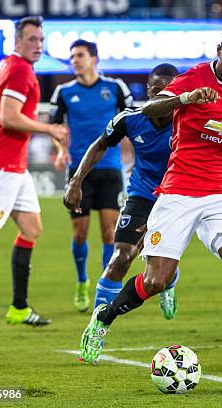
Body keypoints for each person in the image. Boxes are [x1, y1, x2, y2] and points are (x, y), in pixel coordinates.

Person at [78, 26, 222, 391]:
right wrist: (185, 100)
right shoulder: (193, 78)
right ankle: (103, 318)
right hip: (179, 191)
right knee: (157, 280)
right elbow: (149, 107)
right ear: (219, 51)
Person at [0, 16, 68, 326]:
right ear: (17, 41)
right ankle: (18, 307)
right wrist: (50, 129)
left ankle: (19, 308)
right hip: (2, 163)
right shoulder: (19, 70)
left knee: (31, 228)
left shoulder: (6, 64)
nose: (38, 45)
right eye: (31, 39)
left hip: (13, 165)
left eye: (41, 40)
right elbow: (8, 117)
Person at [64, 64, 181, 319]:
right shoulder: (130, 119)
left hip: (177, 199)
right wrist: (76, 181)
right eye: (158, 91)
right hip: (142, 194)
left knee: (159, 268)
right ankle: (97, 326)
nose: (163, 97)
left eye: (170, 91)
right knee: (122, 256)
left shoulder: (189, 122)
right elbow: (100, 145)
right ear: (149, 91)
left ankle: (170, 283)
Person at [49, 39, 133, 312]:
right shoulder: (63, 92)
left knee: (110, 231)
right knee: (80, 232)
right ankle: (82, 281)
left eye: (80, 55)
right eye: (72, 56)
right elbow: (55, 128)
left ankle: (103, 284)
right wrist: (61, 150)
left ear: (94, 58)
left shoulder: (115, 88)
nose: (75, 60)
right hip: (79, 173)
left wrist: (133, 157)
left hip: (109, 168)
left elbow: (131, 122)